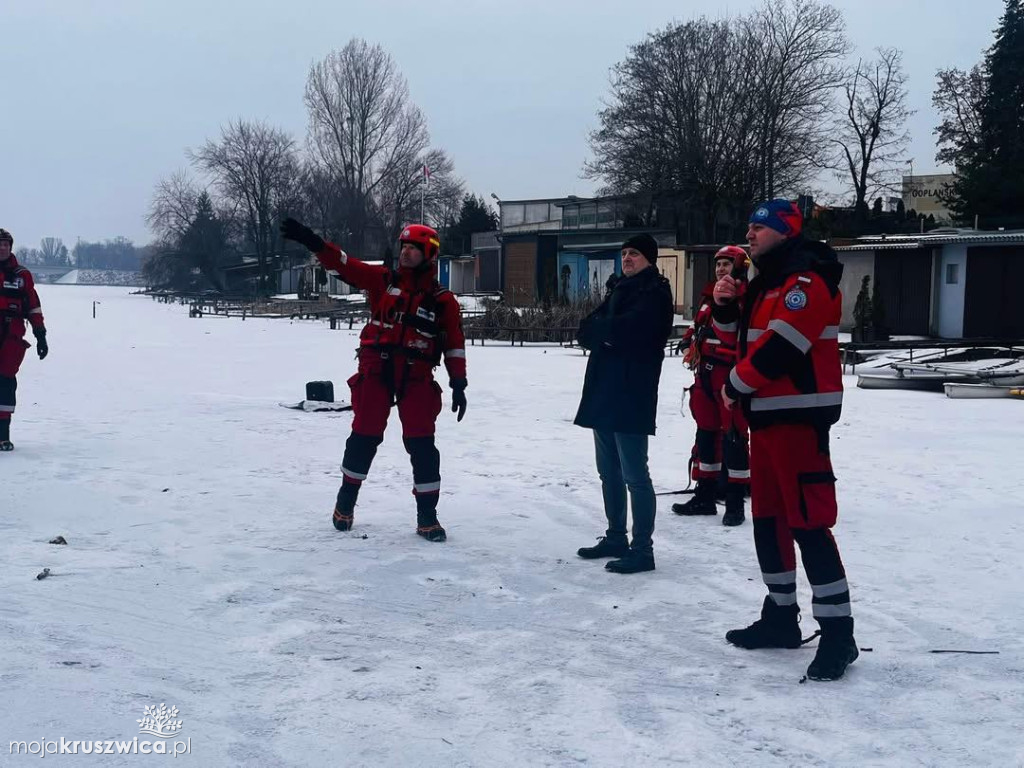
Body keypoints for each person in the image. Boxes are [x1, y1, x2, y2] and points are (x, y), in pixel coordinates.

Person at [713, 199, 858, 681]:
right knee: (768, 522)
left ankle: (839, 634)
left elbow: (781, 349)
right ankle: (780, 617)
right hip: (766, 425)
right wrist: (725, 304)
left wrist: (735, 384)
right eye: (749, 226)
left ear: (784, 232)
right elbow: (737, 339)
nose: (749, 235)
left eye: (759, 227)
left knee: (808, 524)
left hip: (798, 424)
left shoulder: (805, 282)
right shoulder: (765, 283)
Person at [280, 218, 467, 542]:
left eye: (414, 248)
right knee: (363, 438)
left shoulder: (442, 301)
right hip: (376, 371)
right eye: (404, 246)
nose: (406, 253)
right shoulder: (383, 280)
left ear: (430, 255)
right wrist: (314, 242)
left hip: (417, 376)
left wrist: (459, 383)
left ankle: (427, 517)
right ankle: (345, 503)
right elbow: (346, 266)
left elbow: (453, 343)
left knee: (423, 446)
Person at [574, 234, 674, 574]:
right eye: (624, 253)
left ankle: (642, 550)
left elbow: (633, 333)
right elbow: (586, 329)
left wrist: (606, 333)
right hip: (604, 390)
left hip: (632, 392)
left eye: (634, 253)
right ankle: (615, 535)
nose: (627, 258)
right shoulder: (618, 288)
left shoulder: (655, 293)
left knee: (635, 474)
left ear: (649, 258)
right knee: (608, 472)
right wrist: (605, 333)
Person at [673, 246, 750, 526]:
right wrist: (689, 340)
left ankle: (734, 502)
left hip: (728, 377)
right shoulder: (710, 295)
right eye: (718, 264)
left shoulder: (743, 299)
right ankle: (704, 496)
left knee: (734, 438)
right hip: (704, 375)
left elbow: (730, 323)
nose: (720, 268)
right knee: (706, 436)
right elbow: (700, 323)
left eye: (726, 264)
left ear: (739, 266)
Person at [0, 228, 47, 451]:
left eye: (5, 244)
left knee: (6, 384)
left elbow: (33, 307)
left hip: (11, 337)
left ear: (10, 247)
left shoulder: (22, 275)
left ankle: (3, 436)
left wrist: (41, 335)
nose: (2, 247)